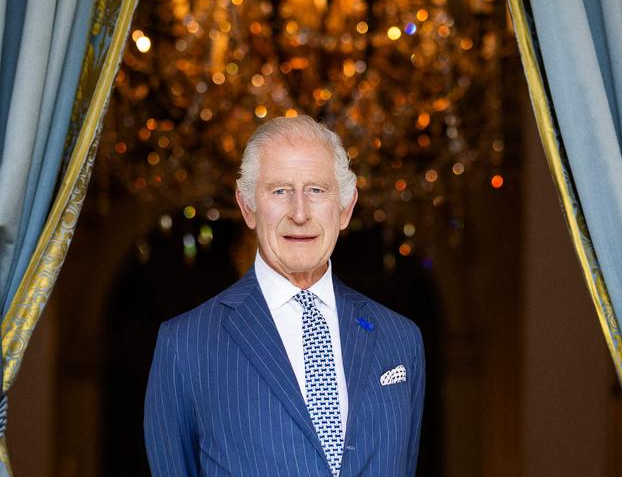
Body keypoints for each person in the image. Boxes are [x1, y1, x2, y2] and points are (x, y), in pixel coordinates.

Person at [144, 115, 425, 476]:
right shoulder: (185, 345)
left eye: (317, 191)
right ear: (247, 207)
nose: (300, 213)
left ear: (345, 208)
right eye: (280, 191)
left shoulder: (401, 339)